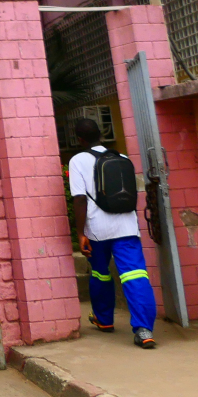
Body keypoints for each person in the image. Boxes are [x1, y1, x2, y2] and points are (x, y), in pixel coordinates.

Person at [68, 118, 157, 348]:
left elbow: (79, 199)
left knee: (100, 273)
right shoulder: (123, 158)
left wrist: (80, 234)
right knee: (135, 276)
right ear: (101, 134)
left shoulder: (77, 160)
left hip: (97, 229)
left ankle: (104, 319)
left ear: (80, 139)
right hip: (126, 227)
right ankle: (144, 331)